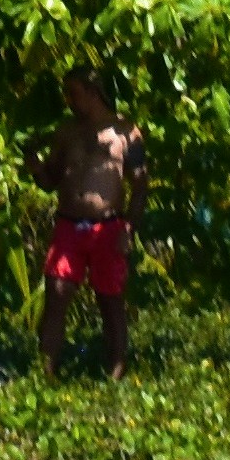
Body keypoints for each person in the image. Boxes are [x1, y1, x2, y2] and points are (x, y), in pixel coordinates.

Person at [37, 72, 144, 378]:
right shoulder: (67, 132)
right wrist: (34, 162)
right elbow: (49, 180)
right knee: (56, 293)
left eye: (73, 93)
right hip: (69, 225)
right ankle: (45, 372)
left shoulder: (126, 132)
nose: (68, 100)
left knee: (110, 299)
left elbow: (140, 185)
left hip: (108, 226)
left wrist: (128, 228)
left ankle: (116, 371)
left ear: (93, 91)